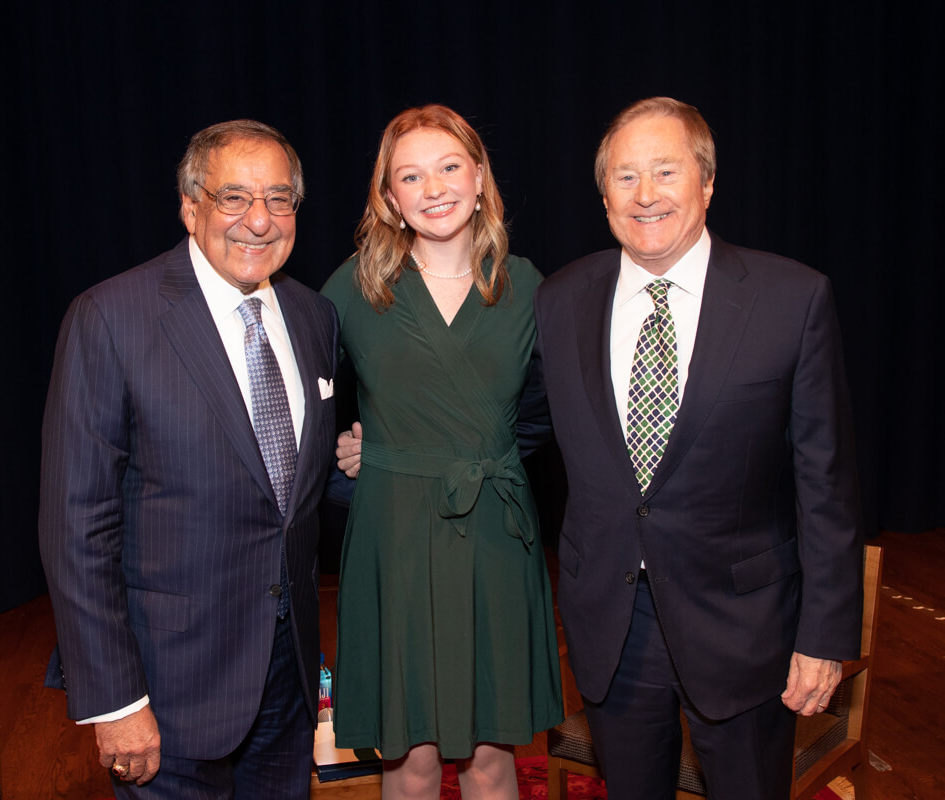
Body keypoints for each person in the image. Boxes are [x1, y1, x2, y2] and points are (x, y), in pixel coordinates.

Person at [530, 97, 865, 799]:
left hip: (746, 626)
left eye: (665, 171)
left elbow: (825, 483)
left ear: (707, 184)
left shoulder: (792, 299)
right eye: (625, 177)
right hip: (613, 625)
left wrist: (826, 635)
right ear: (603, 194)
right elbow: (524, 423)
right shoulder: (559, 301)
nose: (645, 195)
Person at [39, 119, 339, 799]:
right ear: (190, 205)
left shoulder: (314, 317)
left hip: (286, 681)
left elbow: (294, 496)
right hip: (168, 690)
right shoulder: (110, 318)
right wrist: (116, 702)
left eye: (280, 199)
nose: (259, 221)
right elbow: (76, 526)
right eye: (233, 198)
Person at [321, 104, 562, 800]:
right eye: (411, 176)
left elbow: (553, 414)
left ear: (480, 177)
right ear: (389, 199)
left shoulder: (527, 287)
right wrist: (357, 452)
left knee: (492, 756)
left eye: (450, 166)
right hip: (393, 539)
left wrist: (474, 449)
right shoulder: (354, 289)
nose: (434, 188)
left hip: (496, 535)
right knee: (410, 758)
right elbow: (296, 408)